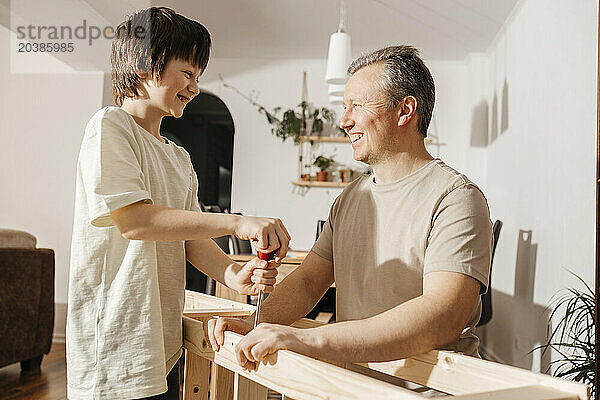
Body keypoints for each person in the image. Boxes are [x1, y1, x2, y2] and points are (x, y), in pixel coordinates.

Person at [206, 45, 493, 371]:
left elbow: (443, 315)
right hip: (354, 386)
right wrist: (256, 322)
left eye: (356, 105)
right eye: (345, 107)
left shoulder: (456, 198)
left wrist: (309, 340)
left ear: (404, 111)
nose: (344, 120)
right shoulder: (350, 197)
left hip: (426, 390)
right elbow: (309, 281)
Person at [66, 7, 290, 399]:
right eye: (188, 74)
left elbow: (187, 237)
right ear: (144, 66)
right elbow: (135, 221)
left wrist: (231, 273)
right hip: (115, 339)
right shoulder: (110, 126)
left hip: (159, 336)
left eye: (198, 77)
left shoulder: (178, 158)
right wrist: (238, 223)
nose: (195, 87)